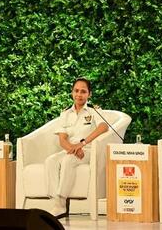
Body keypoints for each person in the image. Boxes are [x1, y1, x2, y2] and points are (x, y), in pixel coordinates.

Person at [45, 77, 109, 218]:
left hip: (88, 150)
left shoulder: (94, 111)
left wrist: (82, 144)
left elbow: (104, 127)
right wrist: (73, 149)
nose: (79, 94)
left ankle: (61, 203)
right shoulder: (65, 113)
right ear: (72, 92)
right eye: (76, 91)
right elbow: (62, 139)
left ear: (89, 94)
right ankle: (58, 203)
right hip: (70, 149)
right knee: (51, 160)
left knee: (68, 161)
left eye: (83, 91)